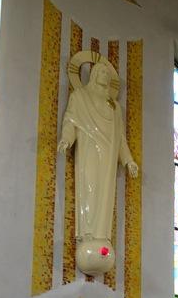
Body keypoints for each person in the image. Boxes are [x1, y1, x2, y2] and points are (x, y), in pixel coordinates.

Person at [58, 60, 138, 243]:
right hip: (89, 150)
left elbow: (120, 138)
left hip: (109, 156)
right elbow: (71, 121)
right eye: (102, 72)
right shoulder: (80, 97)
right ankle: (87, 233)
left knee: (105, 195)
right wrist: (66, 139)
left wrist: (128, 161)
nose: (106, 75)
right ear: (94, 74)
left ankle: (102, 236)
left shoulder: (114, 106)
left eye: (108, 73)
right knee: (90, 187)